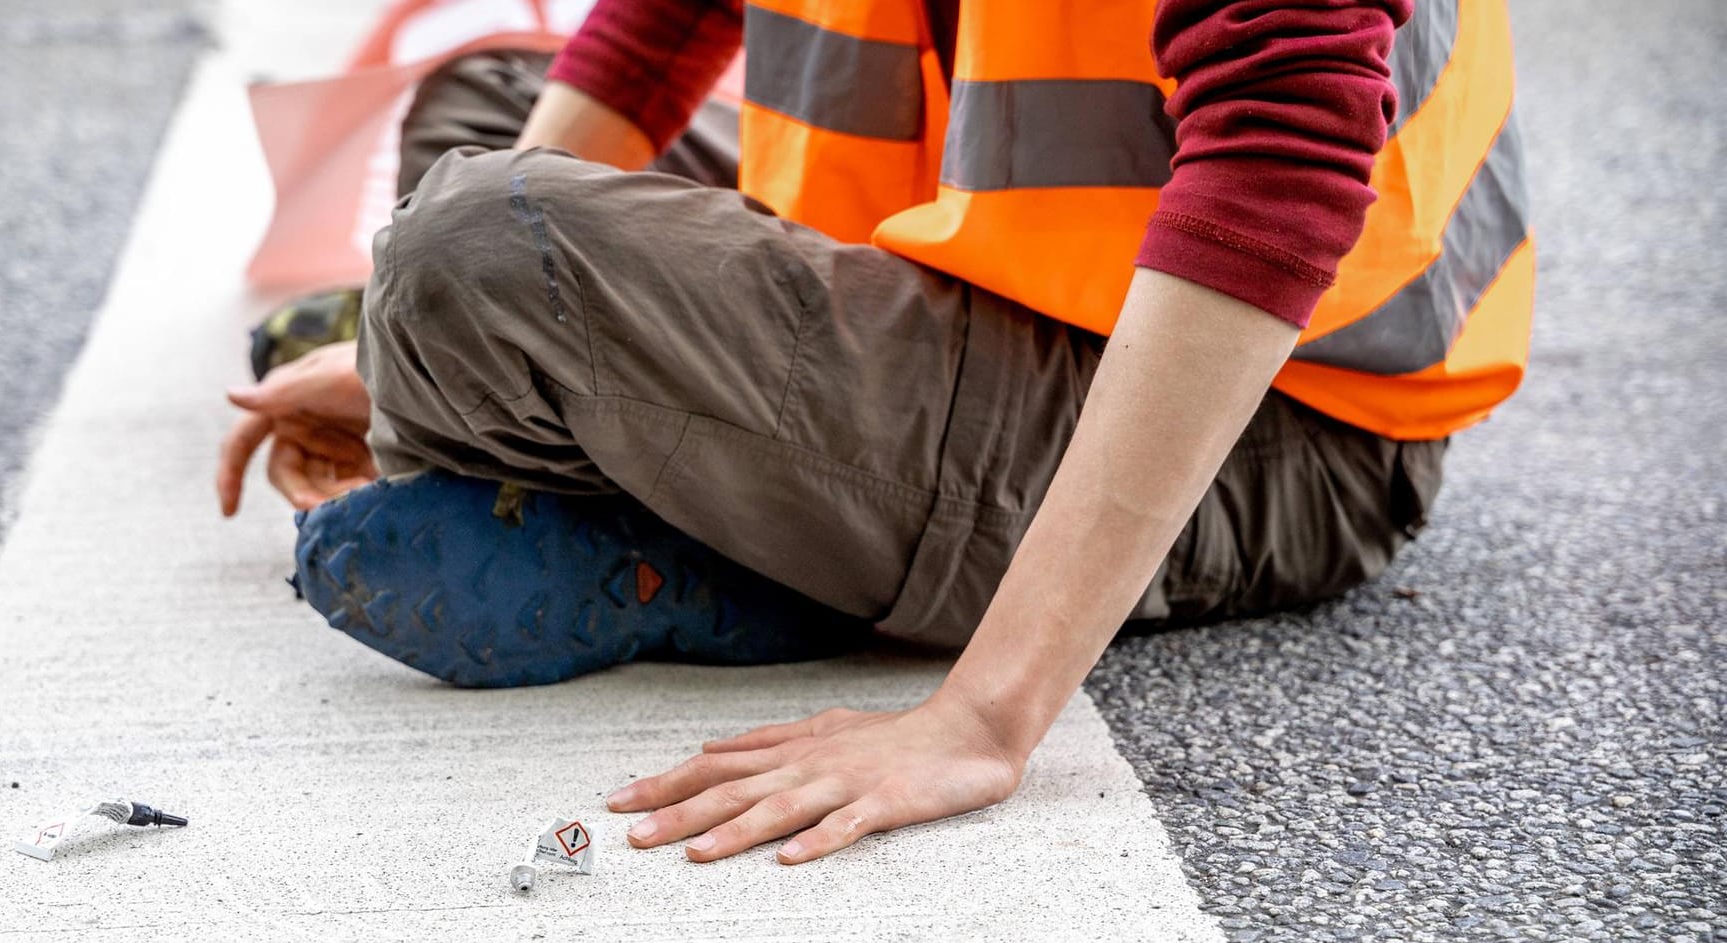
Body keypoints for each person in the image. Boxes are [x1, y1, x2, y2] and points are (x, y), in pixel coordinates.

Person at [218, 0, 1531, 866]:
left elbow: (1280, 166)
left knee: (480, 246)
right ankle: (652, 467)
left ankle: (733, 561)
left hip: (1279, 419)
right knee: (478, 118)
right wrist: (416, 344)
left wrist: (982, 719)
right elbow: (660, 26)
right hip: (972, 263)